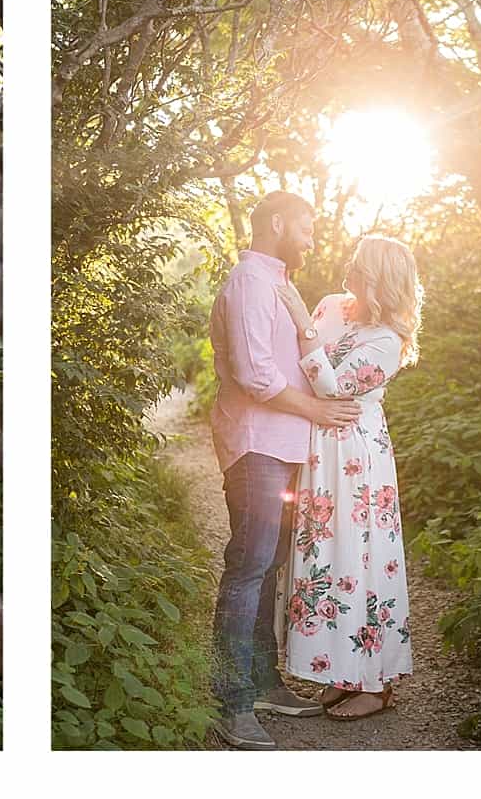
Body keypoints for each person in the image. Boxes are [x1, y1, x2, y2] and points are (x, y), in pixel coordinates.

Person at [206, 192, 362, 751]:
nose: (312, 235)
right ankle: (230, 702)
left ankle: (265, 684)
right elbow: (255, 374)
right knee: (248, 566)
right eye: (306, 224)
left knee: (269, 567)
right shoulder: (250, 281)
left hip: (285, 445)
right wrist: (319, 411)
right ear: (277, 222)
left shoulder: (280, 283)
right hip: (256, 444)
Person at [275, 235, 422, 717]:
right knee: (327, 554)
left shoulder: (387, 340)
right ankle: (344, 670)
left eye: (359, 264)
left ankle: (376, 685)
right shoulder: (332, 305)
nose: (348, 267)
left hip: (355, 452)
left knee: (358, 553)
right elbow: (303, 377)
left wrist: (300, 322)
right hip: (318, 442)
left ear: (380, 279)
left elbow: (333, 388)